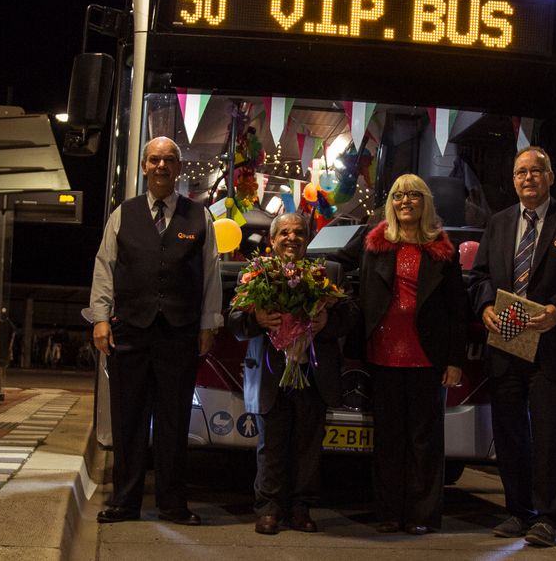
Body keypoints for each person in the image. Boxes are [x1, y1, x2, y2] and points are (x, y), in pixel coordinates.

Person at [470, 146, 556, 547]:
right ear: (513, 180)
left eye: (535, 171)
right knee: (509, 433)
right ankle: (517, 511)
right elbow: (479, 278)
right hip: (507, 341)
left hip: (554, 343)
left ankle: (547, 517)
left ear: (550, 177)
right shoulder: (498, 223)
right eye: (520, 172)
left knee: (549, 436)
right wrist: (486, 306)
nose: (527, 178)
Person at [89, 136, 223, 526]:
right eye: (155, 160)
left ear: (178, 168)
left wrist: (209, 323)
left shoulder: (199, 216)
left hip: (179, 333)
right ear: (145, 167)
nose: (161, 166)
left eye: (169, 160)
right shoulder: (123, 213)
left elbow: (210, 273)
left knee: (174, 420)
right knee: (127, 420)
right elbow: (105, 267)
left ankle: (172, 505)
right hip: (129, 330)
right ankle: (125, 503)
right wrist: (99, 317)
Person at [227, 213, 358, 535]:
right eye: (283, 233)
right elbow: (234, 322)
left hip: (313, 375)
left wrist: (328, 322)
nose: (291, 238)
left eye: (298, 232)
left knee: (308, 447)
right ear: (272, 241)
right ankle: (269, 509)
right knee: (270, 446)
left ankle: (301, 509)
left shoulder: (329, 274)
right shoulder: (256, 273)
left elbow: (352, 316)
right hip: (272, 375)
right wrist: (256, 318)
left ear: (307, 239)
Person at [356, 173, 467, 535]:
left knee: (425, 442)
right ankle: (388, 513)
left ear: (425, 203)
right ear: (390, 203)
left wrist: (454, 360)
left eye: (413, 196)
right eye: (398, 195)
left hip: (427, 358)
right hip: (383, 356)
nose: (405, 201)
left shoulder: (442, 250)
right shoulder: (374, 243)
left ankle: (422, 515)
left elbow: (457, 308)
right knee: (388, 440)